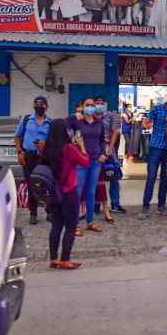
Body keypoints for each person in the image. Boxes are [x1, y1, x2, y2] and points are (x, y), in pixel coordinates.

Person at [42, 119, 89, 270]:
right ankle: (65, 260)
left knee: (56, 225)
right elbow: (85, 162)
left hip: (53, 193)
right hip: (69, 192)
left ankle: (54, 258)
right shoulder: (69, 149)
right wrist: (82, 147)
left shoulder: (45, 149)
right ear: (65, 132)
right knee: (70, 227)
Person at [138, 88, 167, 219]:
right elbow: (146, 122)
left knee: (165, 178)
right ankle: (145, 207)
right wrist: (144, 125)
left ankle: (161, 205)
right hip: (155, 147)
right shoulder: (157, 109)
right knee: (151, 177)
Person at [66, 97, 106, 235]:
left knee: (91, 192)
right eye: (87, 105)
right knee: (78, 192)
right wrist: (74, 118)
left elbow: (102, 140)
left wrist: (103, 154)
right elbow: (72, 134)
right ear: (82, 107)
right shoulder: (78, 123)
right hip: (81, 161)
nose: (90, 107)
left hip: (95, 161)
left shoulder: (99, 123)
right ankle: (75, 224)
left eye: (92, 105)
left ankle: (90, 222)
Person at [14, 96, 52, 225]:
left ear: (46, 107)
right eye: (37, 104)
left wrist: (44, 145)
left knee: (45, 184)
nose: (39, 106)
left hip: (43, 157)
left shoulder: (50, 123)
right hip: (28, 156)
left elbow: (53, 142)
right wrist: (20, 153)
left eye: (42, 104)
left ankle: (49, 212)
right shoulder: (26, 120)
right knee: (31, 184)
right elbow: (17, 137)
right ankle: (33, 213)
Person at [92, 96, 126, 215]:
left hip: (109, 149)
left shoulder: (109, 116)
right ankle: (96, 204)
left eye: (102, 103)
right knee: (96, 178)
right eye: (97, 103)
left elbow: (115, 133)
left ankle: (115, 204)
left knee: (114, 176)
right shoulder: (90, 117)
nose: (100, 105)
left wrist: (111, 149)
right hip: (95, 151)